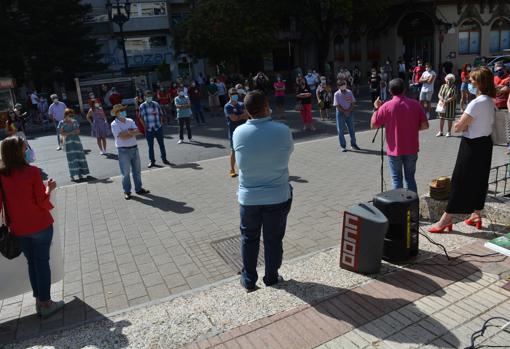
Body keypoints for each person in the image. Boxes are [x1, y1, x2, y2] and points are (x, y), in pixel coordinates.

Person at [233, 90, 294, 292]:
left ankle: (249, 279)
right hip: (277, 194)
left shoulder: (238, 132)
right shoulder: (282, 130)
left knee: (249, 237)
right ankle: (272, 277)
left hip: (249, 196)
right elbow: (288, 153)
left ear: (247, 111)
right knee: (273, 238)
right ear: (267, 106)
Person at [0, 136, 64, 319]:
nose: (27, 151)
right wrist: (49, 188)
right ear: (20, 152)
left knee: (32, 264)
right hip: (40, 225)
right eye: (25, 148)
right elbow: (42, 201)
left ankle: (39, 300)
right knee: (42, 263)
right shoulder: (32, 172)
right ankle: (46, 303)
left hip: (18, 229)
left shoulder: (2, 176)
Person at [429, 67, 496, 233]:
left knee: (460, 180)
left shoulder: (476, 103)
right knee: (480, 180)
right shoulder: (489, 101)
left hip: (471, 145)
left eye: (473, 80)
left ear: (480, 83)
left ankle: (446, 218)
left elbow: (458, 127)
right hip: (485, 144)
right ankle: (475, 214)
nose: (469, 83)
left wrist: (461, 122)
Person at [371, 79, 429, 192]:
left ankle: (398, 207)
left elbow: (373, 125)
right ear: (405, 89)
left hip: (394, 150)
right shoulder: (415, 104)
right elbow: (425, 125)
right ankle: (413, 206)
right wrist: (412, 128)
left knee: (397, 179)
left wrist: (376, 108)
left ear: (390, 91)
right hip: (411, 148)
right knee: (410, 178)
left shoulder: (386, 106)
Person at [110, 104, 150, 200]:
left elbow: (138, 131)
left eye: (124, 110)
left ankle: (139, 188)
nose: (124, 112)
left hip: (134, 148)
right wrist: (131, 132)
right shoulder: (114, 124)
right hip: (123, 150)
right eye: (121, 111)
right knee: (126, 173)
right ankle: (127, 191)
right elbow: (122, 137)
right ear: (117, 113)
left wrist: (127, 133)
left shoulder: (130, 120)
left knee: (137, 171)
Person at [139, 90, 170, 168]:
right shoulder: (142, 106)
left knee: (161, 145)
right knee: (150, 146)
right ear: (145, 97)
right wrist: (144, 126)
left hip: (158, 127)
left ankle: (164, 159)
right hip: (149, 129)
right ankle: (152, 161)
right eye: (147, 96)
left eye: (150, 96)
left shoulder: (156, 104)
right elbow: (140, 117)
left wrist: (161, 123)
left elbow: (161, 114)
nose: (149, 97)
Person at [58, 109, 90, 181]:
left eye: (72, 115)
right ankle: (72, 174)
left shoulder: (74, 121)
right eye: (70, 115)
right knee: (72, 158)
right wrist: (71, 133)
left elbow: (78, 131)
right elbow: (62, 133)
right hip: (68, 142)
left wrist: (73, 132)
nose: (71, 117)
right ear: (65, 115)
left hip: (76, 141)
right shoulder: (61, 123)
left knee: (79, 156)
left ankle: (80, 174)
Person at [224, 88, 249, 177]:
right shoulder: (227, 106)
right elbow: (233, 119)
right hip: (233, 131)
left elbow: (247, 116)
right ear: (229, 95)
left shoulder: (241, 104)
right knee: (234, 150)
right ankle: (232, 169)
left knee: (245, 149)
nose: (235, 96)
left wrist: (239, 116)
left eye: (236, 94)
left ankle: (246, 168)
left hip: (244, 131)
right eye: (233, 94)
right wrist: (241, 116)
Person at [334, 81, 359, 152]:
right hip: (340, 113)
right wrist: (344, 112)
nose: (343, 86)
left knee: (352, 129)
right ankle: (343, 146)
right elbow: (337, 105)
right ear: (338, 86)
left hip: (350, 112)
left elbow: (353, 102)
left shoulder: (349, 92)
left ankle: (353, 144)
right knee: (340, 130)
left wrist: (349, 111)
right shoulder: (336, 94)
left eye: (344, 84)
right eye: (341, 85)